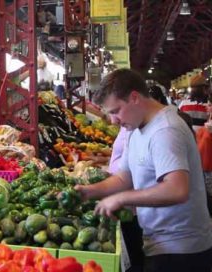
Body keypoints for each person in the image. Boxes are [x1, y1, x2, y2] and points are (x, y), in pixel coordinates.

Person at [77, 68, 212, 272]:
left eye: (115, 111)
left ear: (134, 98)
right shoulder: (136, 128)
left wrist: (122, 199)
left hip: (181, 250)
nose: (113, 120)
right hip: (159, 242)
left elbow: (177, 189)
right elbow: (125, 177)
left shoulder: (166, 130)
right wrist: (90, 191)